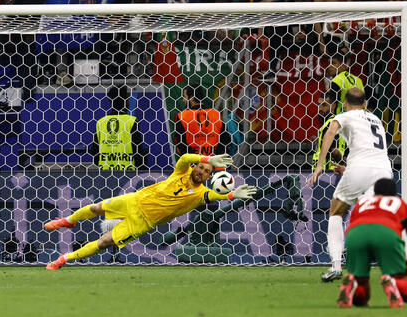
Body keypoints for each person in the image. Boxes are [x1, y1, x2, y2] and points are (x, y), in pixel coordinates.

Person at [43, 155, 256, 269]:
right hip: (134, 201)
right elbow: (183, 158)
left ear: (209, 178)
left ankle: (64, 259)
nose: (202, 171)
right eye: (201, 168)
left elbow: (215, 196)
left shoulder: (200, 194)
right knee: (96, 207)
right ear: (195, 167)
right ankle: (68, 220)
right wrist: (207, 158)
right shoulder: (181, 171)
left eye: (207, 172)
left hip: (143, 222)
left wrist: (231, 195)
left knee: (104, 242)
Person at [309, 88, 393, 283]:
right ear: (364, 104)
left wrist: (320, 165)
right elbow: (370, 152)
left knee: (336, 212)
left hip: (359, 169)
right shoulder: (376, 120)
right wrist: (347, 168)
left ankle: (336, 266)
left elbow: (330, 131)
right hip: (384, 171)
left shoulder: (344, 115)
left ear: (345, 103)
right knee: (376, 217)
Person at [337, 177, 407, 308]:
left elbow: (353, 224)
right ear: (395, 193)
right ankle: (394, 282)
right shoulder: (403, 205)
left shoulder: (363, 202)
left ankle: (353, 283)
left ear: (374, 192)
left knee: (361, 295)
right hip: (386, 233)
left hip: (355, 234)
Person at [92, 85, 148, 170]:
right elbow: (137, 149)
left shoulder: (101, 122)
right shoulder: (131, 121)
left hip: (104, 172)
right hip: (128, 171)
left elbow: (95, 151)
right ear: (125, 101)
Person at [174, 85, 229, 157]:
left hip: (193, 165)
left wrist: (195, 162)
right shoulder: (216, 114)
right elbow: (225, 139)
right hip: (215, 163)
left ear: (192, 98)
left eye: (185, 97)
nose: (183, 100)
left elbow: (180, 144)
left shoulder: (182, 116)